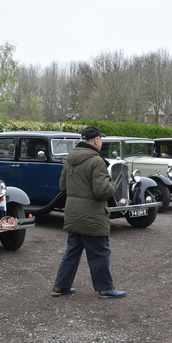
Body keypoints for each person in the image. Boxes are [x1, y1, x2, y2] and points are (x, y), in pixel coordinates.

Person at [51, 126, 126, 299]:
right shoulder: (96, 160)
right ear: (97, 140)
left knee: (72, 251)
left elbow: (63, 187)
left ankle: (60, 286)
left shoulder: (70, 158)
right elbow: (101, 191)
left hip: (73, 213)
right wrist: (113, 185)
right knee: (100, 251)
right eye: (101, 139)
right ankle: (105, 289)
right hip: (92, 215)